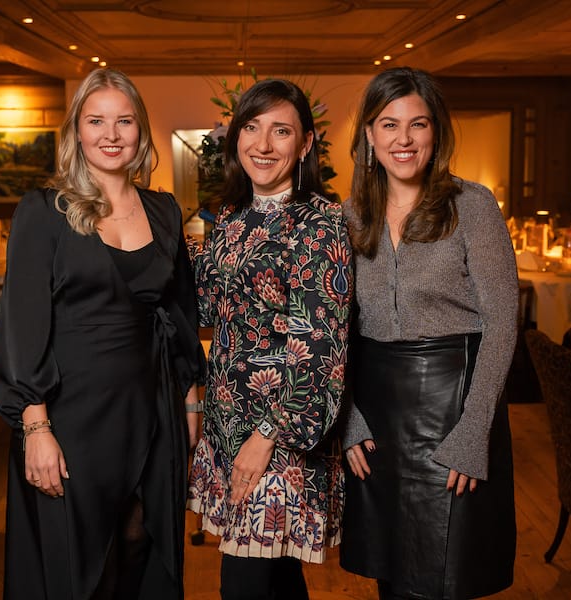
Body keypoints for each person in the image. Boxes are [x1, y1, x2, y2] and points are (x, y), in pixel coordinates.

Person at [0, 67, 204, 600]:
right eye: (96, 120)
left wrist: (191, 401)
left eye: (124, 121)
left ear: (141, 130)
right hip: (71, 416)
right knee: (82, 559)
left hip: (152, 409)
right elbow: (20, 324)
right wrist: (34, 426)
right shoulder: (44, 211)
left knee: (143, 542)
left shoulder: (164, 209)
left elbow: (178, 313)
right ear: (76, 132)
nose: (111, 134)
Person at [339, 67, 518, 599]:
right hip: (375, 417)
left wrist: (473, 431)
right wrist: (348, 417)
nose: (404, 139)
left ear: (435, 132)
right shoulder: (349, 217)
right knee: (392, 577)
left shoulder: (473, 205)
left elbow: (503, 321)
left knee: (444, 578)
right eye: (389, 124)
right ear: (369, 135)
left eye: (418, 124)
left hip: (452, 407)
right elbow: (335, 330)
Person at [186, 79, 353, 600]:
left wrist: (265, 439)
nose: (262, 144)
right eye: (252, 128)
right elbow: (211, 307)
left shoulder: (319, 223)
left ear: (304, 145)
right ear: (235, 137)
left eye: (281, 131)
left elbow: (321, 350)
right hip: (227, 423)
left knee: (243, 584)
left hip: (279, 438)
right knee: (277, 580)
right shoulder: (233, 216)